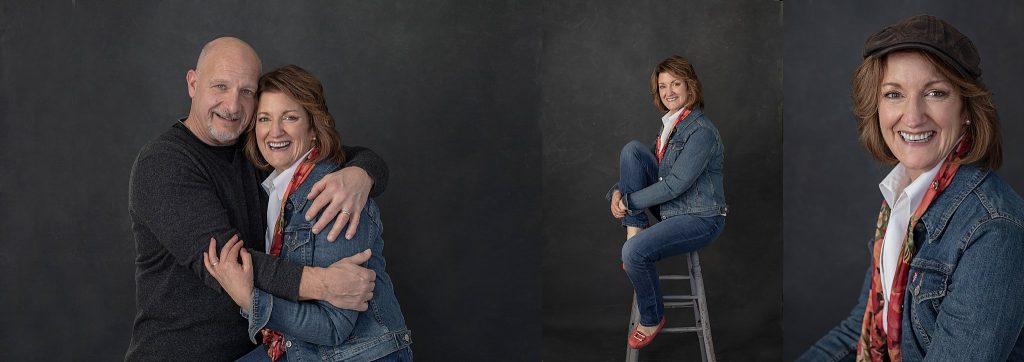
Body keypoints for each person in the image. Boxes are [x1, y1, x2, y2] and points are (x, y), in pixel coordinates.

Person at [126, 37, 391, 361]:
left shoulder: (257, 150)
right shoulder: (164, 163)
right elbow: (224, 264)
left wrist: (361, 175)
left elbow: (341, 154)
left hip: (261, 351)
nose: (233, 105)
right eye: (220, 86)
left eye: (246, 92)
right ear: (193, 83)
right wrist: (324, 285)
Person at [799, 15, 1024, 361]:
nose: (913, 116)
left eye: (935, 93)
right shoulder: (902, 199)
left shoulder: (994, 229)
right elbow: (859, 328)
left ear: (966, 109)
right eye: (894, 94)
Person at [203, 65, 411, 361]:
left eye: (290, 117)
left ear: (313, 128)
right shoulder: (277, 187)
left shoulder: (330, 197)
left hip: (358, 355)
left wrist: (249, 299)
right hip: (302, 350)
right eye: (264, 119)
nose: (275, 131)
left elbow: (333, 327)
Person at [608, 55, 728, 349]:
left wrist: (630, 201)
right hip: (673, 213)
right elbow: (637, 170)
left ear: (690, 87)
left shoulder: (701, 132)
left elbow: (674, 185)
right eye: (663, 86)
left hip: (702, 218)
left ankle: (651, 317)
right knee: (633, 151)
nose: (669, 92)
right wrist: (615, 194)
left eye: (676, 83)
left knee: (633, 253)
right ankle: (633, 233)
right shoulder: (671, 127)